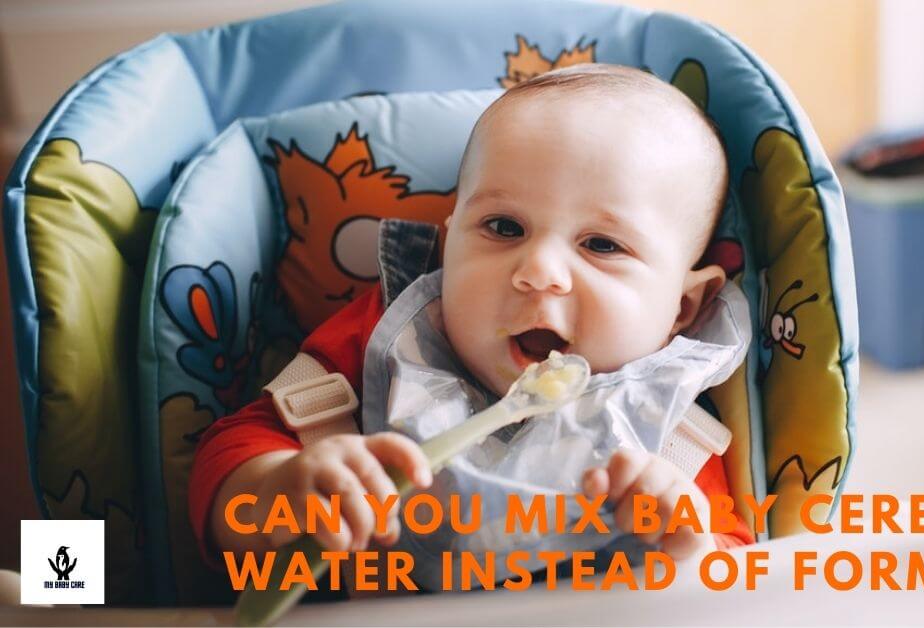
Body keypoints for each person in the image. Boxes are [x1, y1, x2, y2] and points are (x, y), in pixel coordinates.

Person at [189, 64, 754, 588]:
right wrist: (275, 490)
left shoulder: (670, 433)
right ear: (450, 237)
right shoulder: (389, 338)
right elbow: (228, 455)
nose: (538, 272)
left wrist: (689, 545)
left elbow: (740, 579)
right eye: (504, 226)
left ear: (680, 308)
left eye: (602, 244)